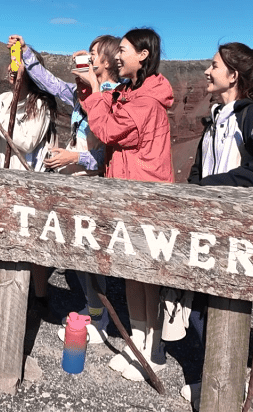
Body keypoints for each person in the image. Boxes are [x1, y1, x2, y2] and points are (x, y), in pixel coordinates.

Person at [180, 42, 253, 405]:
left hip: (234, 225)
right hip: (209, 221)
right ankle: (217, 376)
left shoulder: (250, 116)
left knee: (221, 306)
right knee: (199, 305)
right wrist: (196, 191)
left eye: (213, 66)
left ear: (233, 75)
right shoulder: (215, 117)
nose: (206, 71)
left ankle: (223, 382)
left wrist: (205, 189)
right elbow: (199, 168)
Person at [6, 34, 121, 345]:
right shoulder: (80, 94)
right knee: (79, 255)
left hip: (94, 184)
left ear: (107, 63)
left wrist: (74, 156)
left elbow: (109, 150)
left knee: (89, 254)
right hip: (75, 182)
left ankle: (99, 316)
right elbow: (50, 83)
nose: (87, 58)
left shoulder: (115, 98)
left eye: (93, 55)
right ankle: (94, 309)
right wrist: (26, 51)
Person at [75, 27, 174, 382]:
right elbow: (105, 119)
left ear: (143, 55)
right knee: (133, 275)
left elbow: (107, 130)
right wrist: (93, 89)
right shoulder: (130, 93)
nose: (119, 55)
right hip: (128, 194)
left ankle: (153, 350)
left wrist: (96, 93)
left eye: (126, 50)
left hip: (144, 197)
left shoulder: (145, 102)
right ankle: (138, 342)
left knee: (147, 277)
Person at [0, 50, 57, 309]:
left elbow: (27, 143)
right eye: (9, 67)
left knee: (33, 241)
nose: (9, 70)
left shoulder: (40, 103)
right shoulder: (5, 98)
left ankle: (39, 296)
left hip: (31, 182)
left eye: (15, 67)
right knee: (8, 235)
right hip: (5, 178)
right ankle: (11, 294)